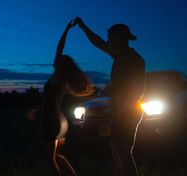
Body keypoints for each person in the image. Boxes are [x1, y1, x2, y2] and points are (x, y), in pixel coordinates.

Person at [74, 17, 146, 176]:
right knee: (115, 150)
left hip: (128, 112)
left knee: (124, 153)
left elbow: (138, 90)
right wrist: (83, 26)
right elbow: (98, 42)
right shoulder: (118, 55)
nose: (108, 41)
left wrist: (123, 110)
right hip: (119, 111)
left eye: (111, 38)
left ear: (120, 39)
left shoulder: (135, 60)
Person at [42, 20, 95, 176]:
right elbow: (50, 99)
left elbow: (59, 49)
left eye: (57, 60)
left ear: (60, 65)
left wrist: (66, 30)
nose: (54, 61)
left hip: (51, 121)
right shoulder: (63, 81)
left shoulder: (58, 77)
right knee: (57, 156)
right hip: (62, 122)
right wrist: (37, 108)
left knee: (49, 159)